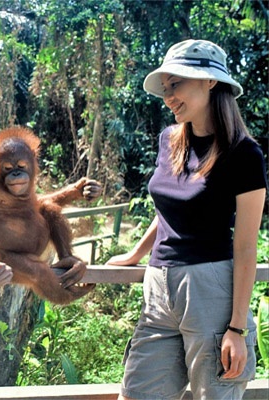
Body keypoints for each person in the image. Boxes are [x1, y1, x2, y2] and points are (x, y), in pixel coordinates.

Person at [107, 39, 267, 400]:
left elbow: (245, 246)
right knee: (137, 393)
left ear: (210, 82)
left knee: (215, 395)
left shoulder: (244, 154)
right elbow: (168, 210)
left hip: (210, 289)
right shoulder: (169, 140)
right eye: (166, 88)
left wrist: (237, 329)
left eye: (176, 83)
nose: (168, 96)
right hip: (158, 286)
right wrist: (134, 255)